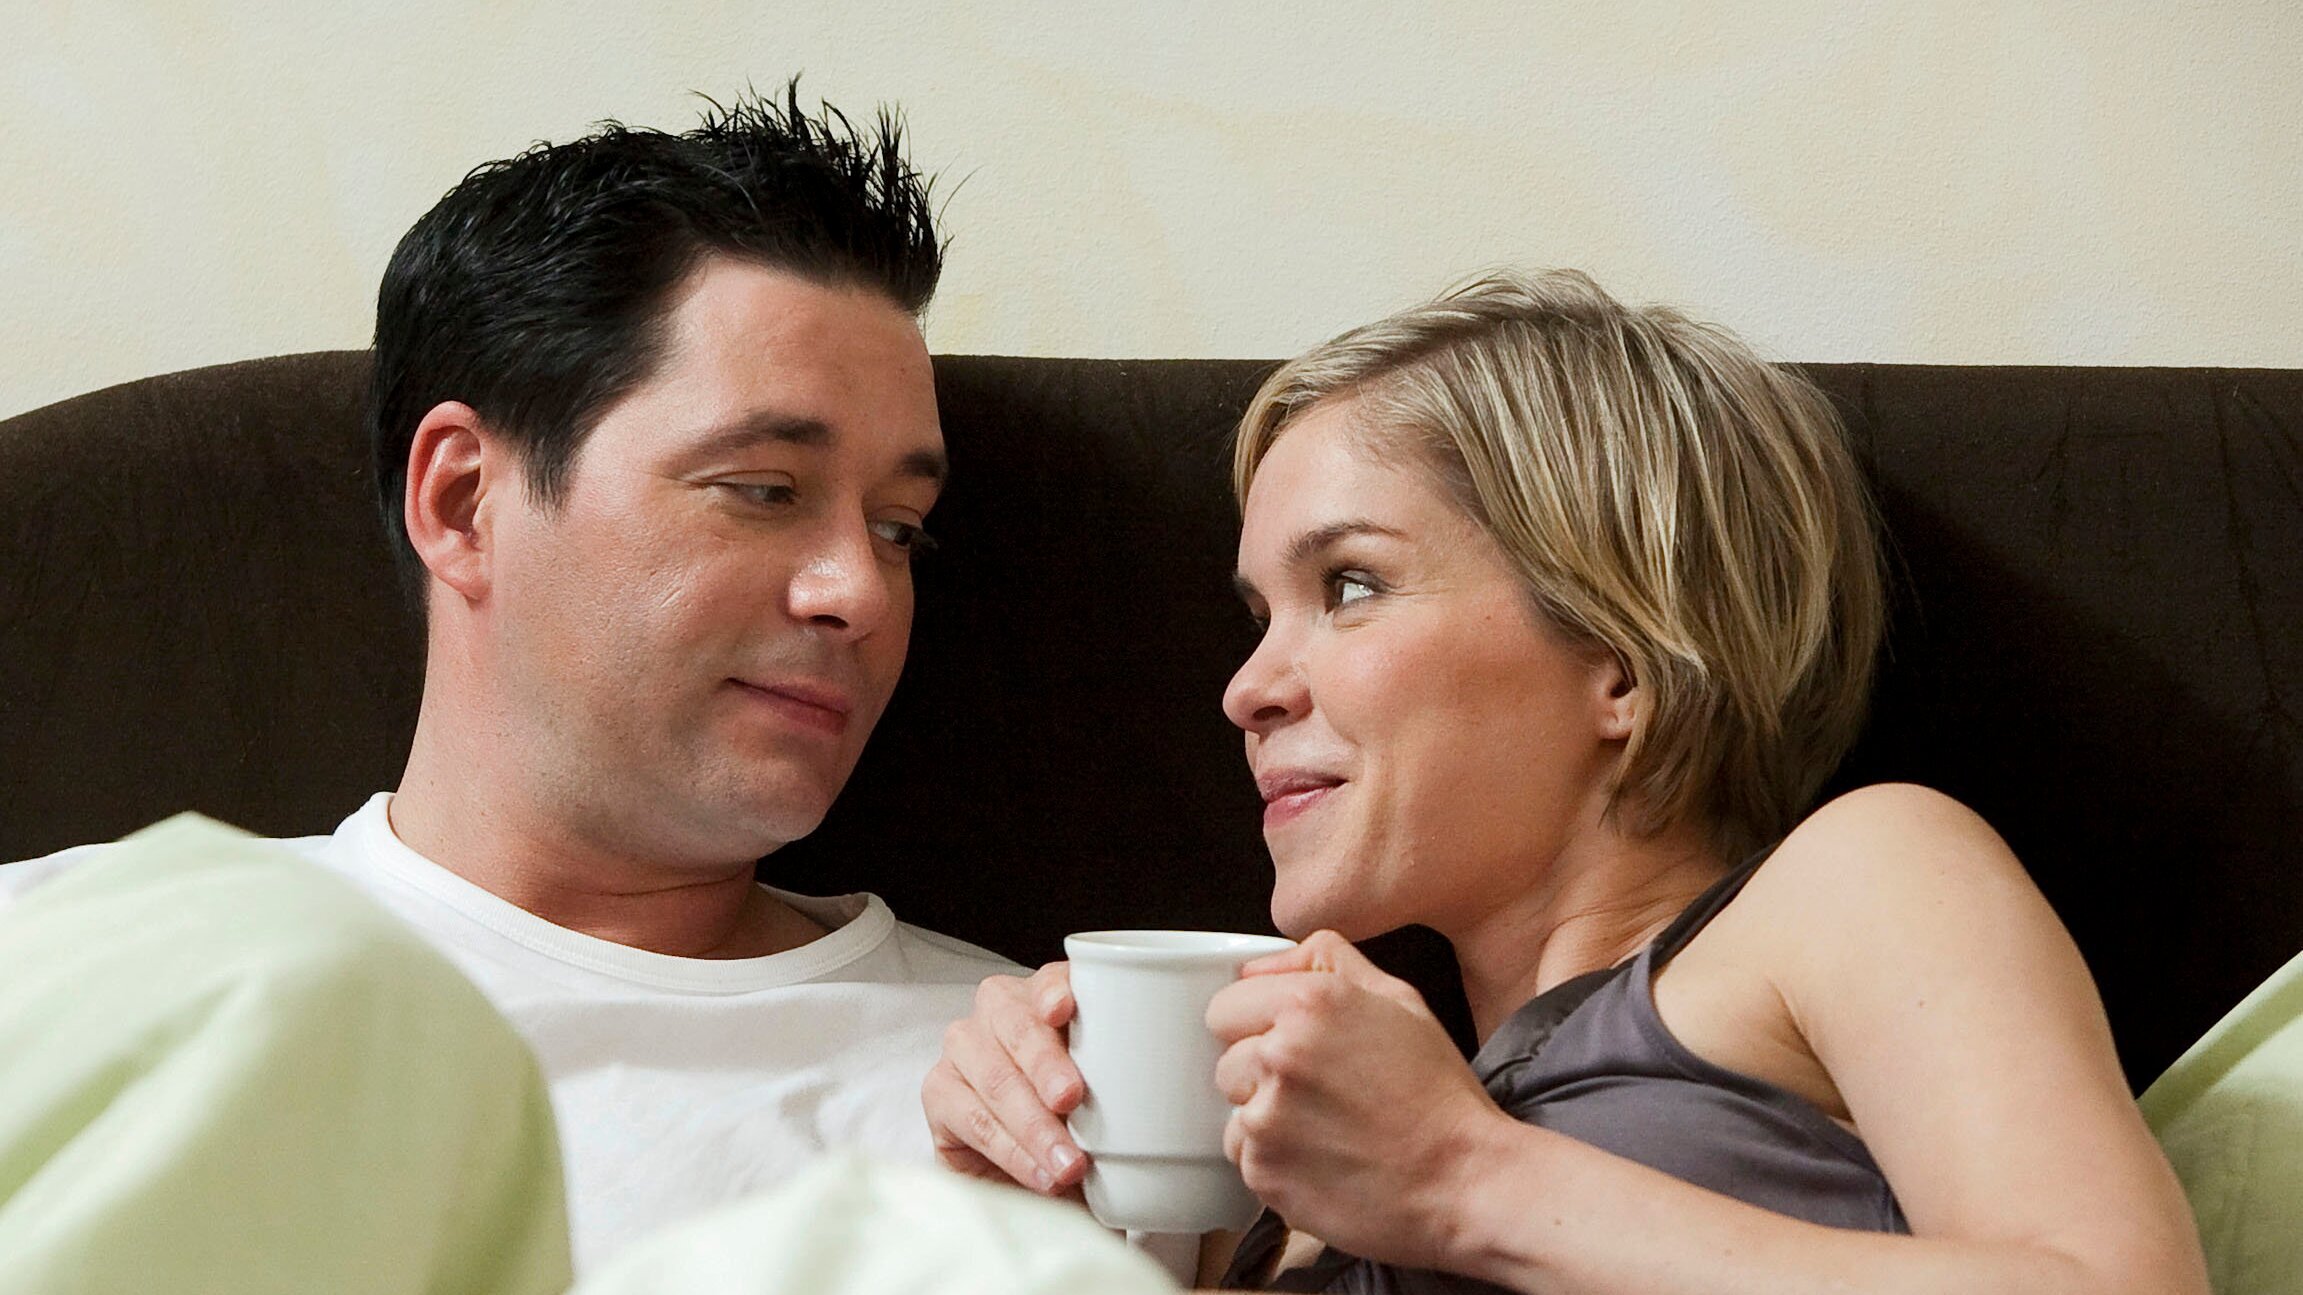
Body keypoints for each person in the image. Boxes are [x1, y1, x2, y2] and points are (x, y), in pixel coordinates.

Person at [923, 269, 2210, 1292]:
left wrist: (1464, 1178)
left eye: (1349, 584)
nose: (1245, 688)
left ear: (1621, 656)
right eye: (1258, 616)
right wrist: (1022, 1225)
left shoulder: (1857, 881)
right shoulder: (1301, 1166)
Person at [0, 85, 1016, 1275]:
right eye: (764, 489)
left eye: (899, 528)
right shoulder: (69, 956)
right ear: (462, 501)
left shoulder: (1037, 1086)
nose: (860, 591)